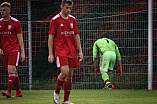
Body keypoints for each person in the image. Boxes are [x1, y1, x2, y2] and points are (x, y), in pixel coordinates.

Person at [48, 0, 83, 104]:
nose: (69, 10)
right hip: (60, 49)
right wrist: (50, 53)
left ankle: (66, 100)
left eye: (70, 8)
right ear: (61, 7)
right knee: (65, 71)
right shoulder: (55, 20)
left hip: (72, 50)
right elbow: (51, 36)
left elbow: (76, 35)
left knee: (70, 75)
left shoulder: (73, 19)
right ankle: (56, 92)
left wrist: (80, 51)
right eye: (67, 8)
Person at [0, 2, 25, 98]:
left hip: (14, 50)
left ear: (9, 11)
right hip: (4, 51)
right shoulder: (0, 23)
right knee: (13, 72)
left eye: (4, 10)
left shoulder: (16, 22)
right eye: (1, 10)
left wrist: (22, 52)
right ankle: (18, 92)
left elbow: (20, 38)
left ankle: (8, 91)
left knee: (11, 69)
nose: (2, 12)